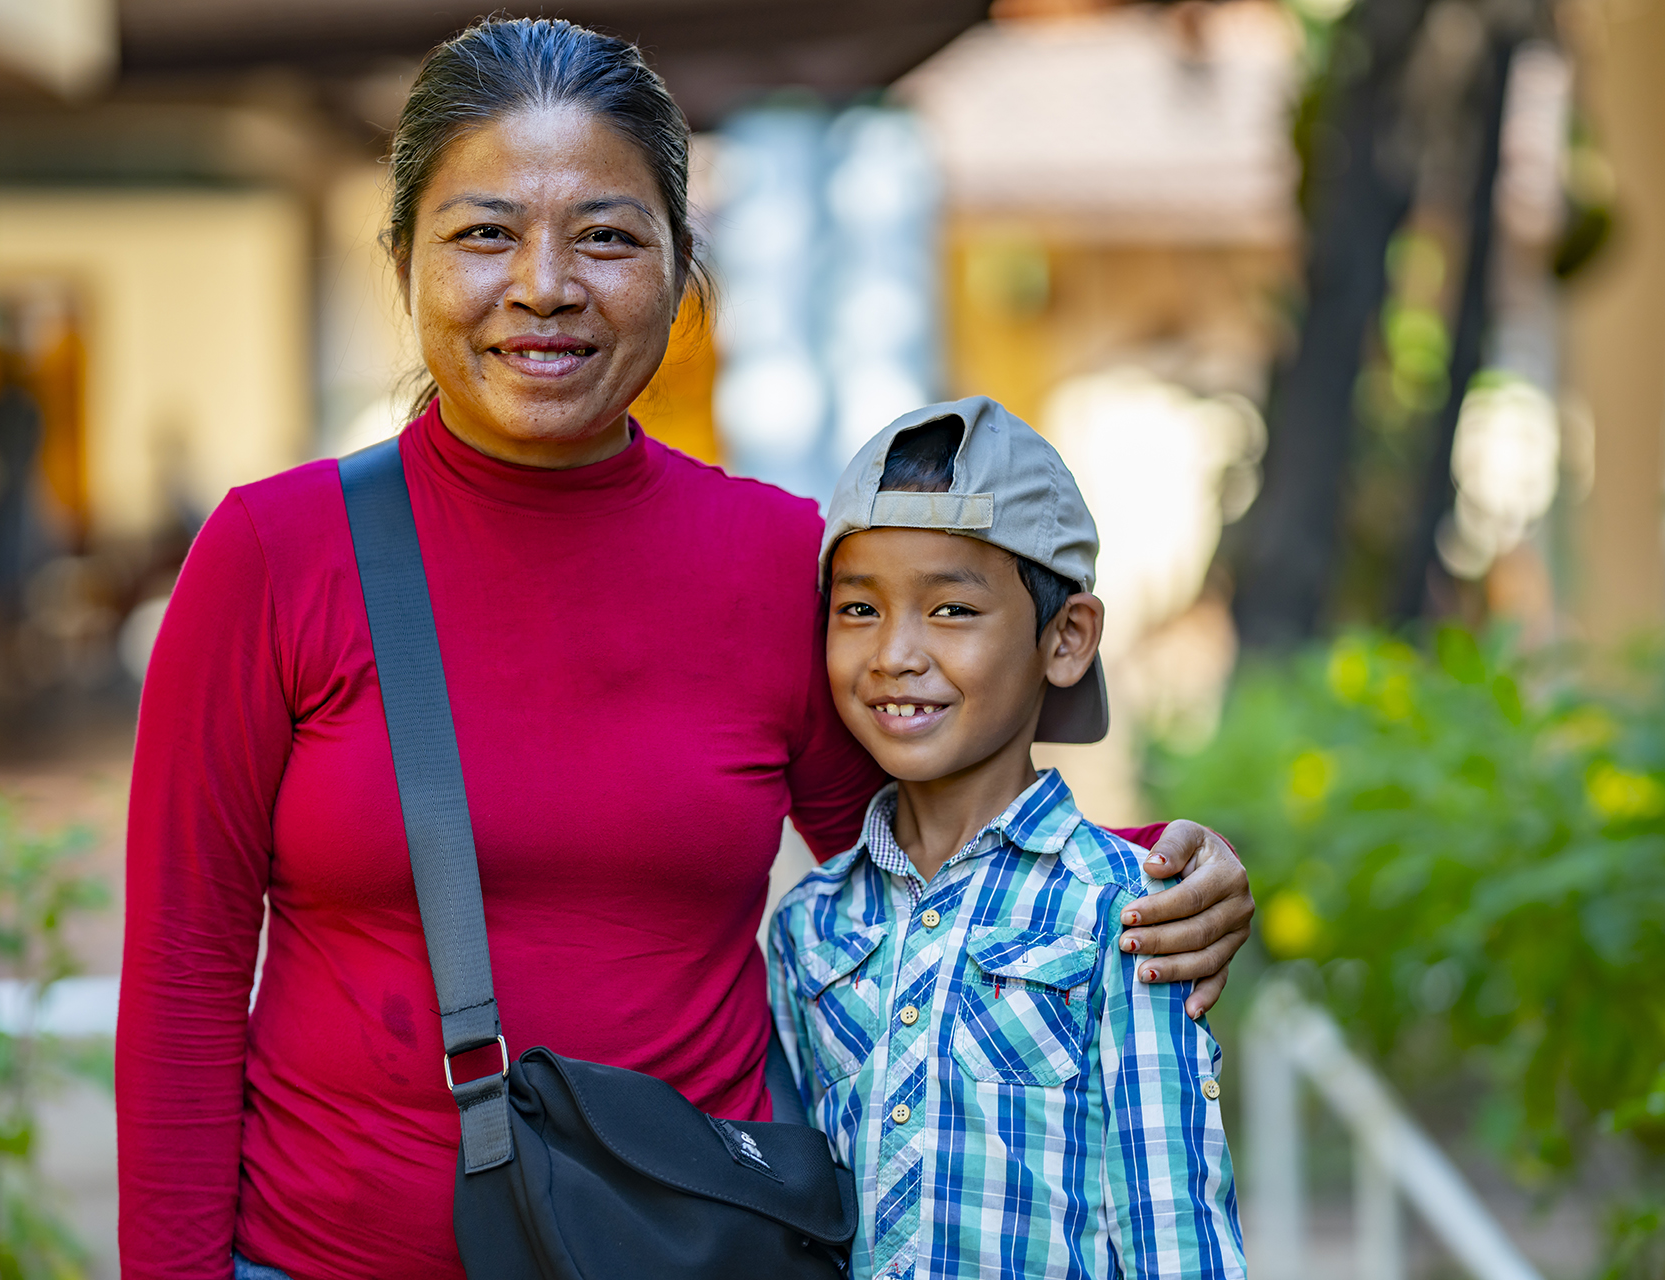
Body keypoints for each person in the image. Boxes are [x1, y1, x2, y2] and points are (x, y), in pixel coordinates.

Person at [116, 19, 1254, 1280]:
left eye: (605, 235)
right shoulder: (275, 552)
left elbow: (922, 862)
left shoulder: (778, 564)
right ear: (403, 262)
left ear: (679, 266)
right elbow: (183, 972)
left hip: (684, 1249)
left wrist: (1152, 871)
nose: (544, 283)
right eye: (484, 232)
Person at [769, 398, 1245, 1280]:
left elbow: (1172, 1224)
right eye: (858, 610)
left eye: (951, 610)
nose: (895, 654)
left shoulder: (1131, 913)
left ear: (1066, 640)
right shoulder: (809, 926)